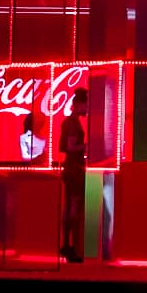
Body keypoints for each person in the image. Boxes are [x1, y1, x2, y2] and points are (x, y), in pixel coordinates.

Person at [57, 93, 90, 264]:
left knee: (68, 207)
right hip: (74, 170)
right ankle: (73, 247)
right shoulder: (73, 124)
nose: (87, 108)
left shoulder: (67, 122)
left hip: (69, 169)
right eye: (86, 105)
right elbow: (71, 147)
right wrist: (87, 146)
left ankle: (66, 244)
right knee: (74, 208)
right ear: (78, 104)